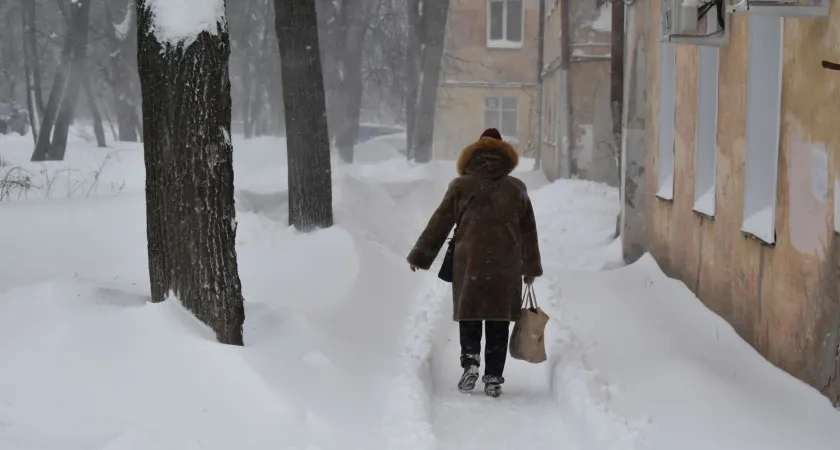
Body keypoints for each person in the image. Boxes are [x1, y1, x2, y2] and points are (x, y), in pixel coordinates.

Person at [406, 127, 543, 398]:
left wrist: (420, 257)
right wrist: (530, 268)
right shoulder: (516, 188)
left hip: (469, 263)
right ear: (506, 155)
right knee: (498, 319)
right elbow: (528, 231)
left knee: (470, 314)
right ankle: (493, 376)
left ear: (474, 153)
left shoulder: (460, 186)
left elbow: (440, 223)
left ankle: (470, 362)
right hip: (506, 264)